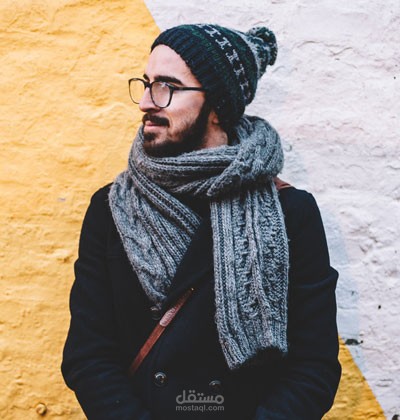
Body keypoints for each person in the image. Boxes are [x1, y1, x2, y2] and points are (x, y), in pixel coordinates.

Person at [62, 24, 341, 419]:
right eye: (146, 84)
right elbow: (88, 356)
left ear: (218, 106)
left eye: (167, 87)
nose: (146, 102)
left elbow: (314, 366)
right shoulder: (110, 209)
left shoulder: (291, 212)